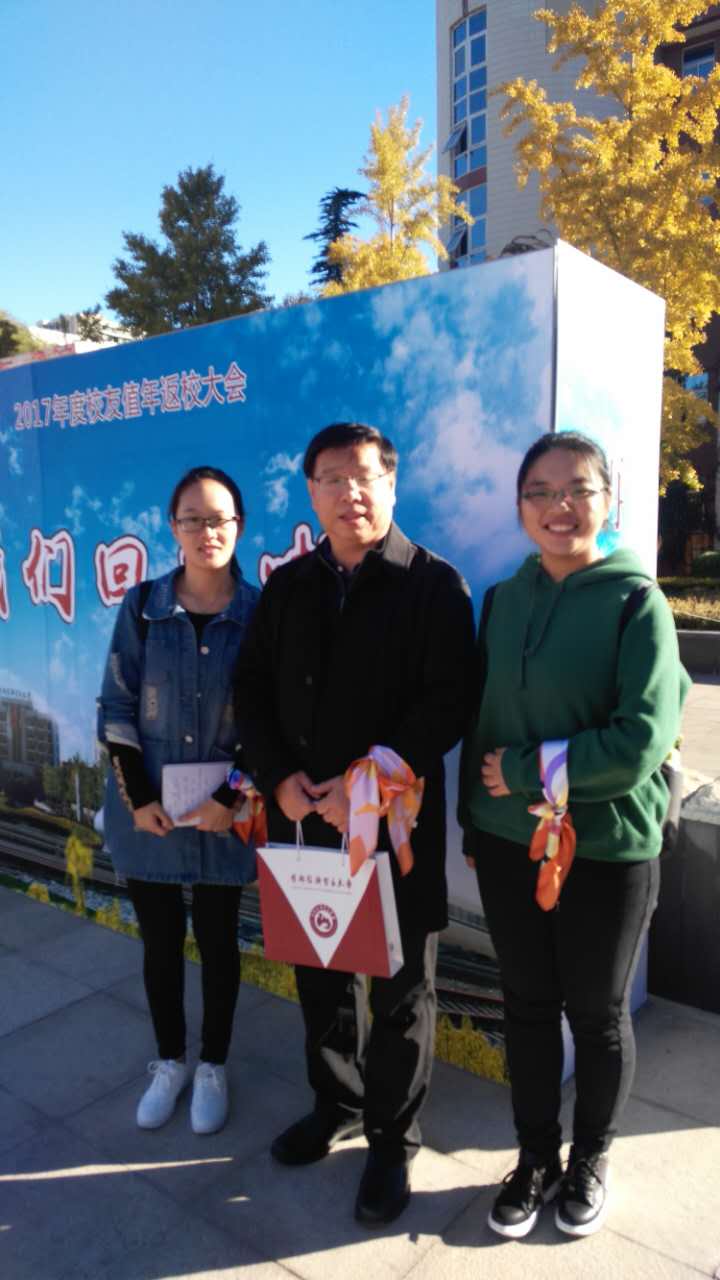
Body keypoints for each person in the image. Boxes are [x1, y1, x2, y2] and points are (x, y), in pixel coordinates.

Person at [234, 421, 474, 1225]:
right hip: (303, 821)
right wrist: (278, 778)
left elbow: (448, 701)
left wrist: (364, 782)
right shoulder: (288, 587)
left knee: (402, 990)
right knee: (320, 974)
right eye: (332, 478)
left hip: (392, 829)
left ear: (392, 484)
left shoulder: (433, 585)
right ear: (312, 493)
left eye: (364, 475)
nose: (350, 493)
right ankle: (335, 1102)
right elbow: (251, 688)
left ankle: (392, 1139)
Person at [459, 431, 690, 1239]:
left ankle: (591, 1155)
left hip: (607, 845)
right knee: (526, 1005)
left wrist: (529, 773)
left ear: (608, 499)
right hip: (506, 843)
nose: (560, 506)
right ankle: (535, 1157)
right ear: (520, 506)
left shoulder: (636, 603)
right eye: (541, 492)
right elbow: (483, 718)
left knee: (595, 1013)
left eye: (578, 489)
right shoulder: (501, 600)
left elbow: (640, 742)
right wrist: (474, 818)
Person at [98, 466, 259, 1135]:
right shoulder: (143, 607)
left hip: (224, 816)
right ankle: (170, 1061)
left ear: (239, 526)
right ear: (173, 527)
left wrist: (232, 794)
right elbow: (116, 706)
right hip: (152, 815)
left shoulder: (260, 614)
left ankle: (213, 1064)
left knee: (219, 943)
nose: (206, 531)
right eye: (193, 519)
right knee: (160, 943)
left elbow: (273, 719)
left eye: (219, 519)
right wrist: (137, 799)